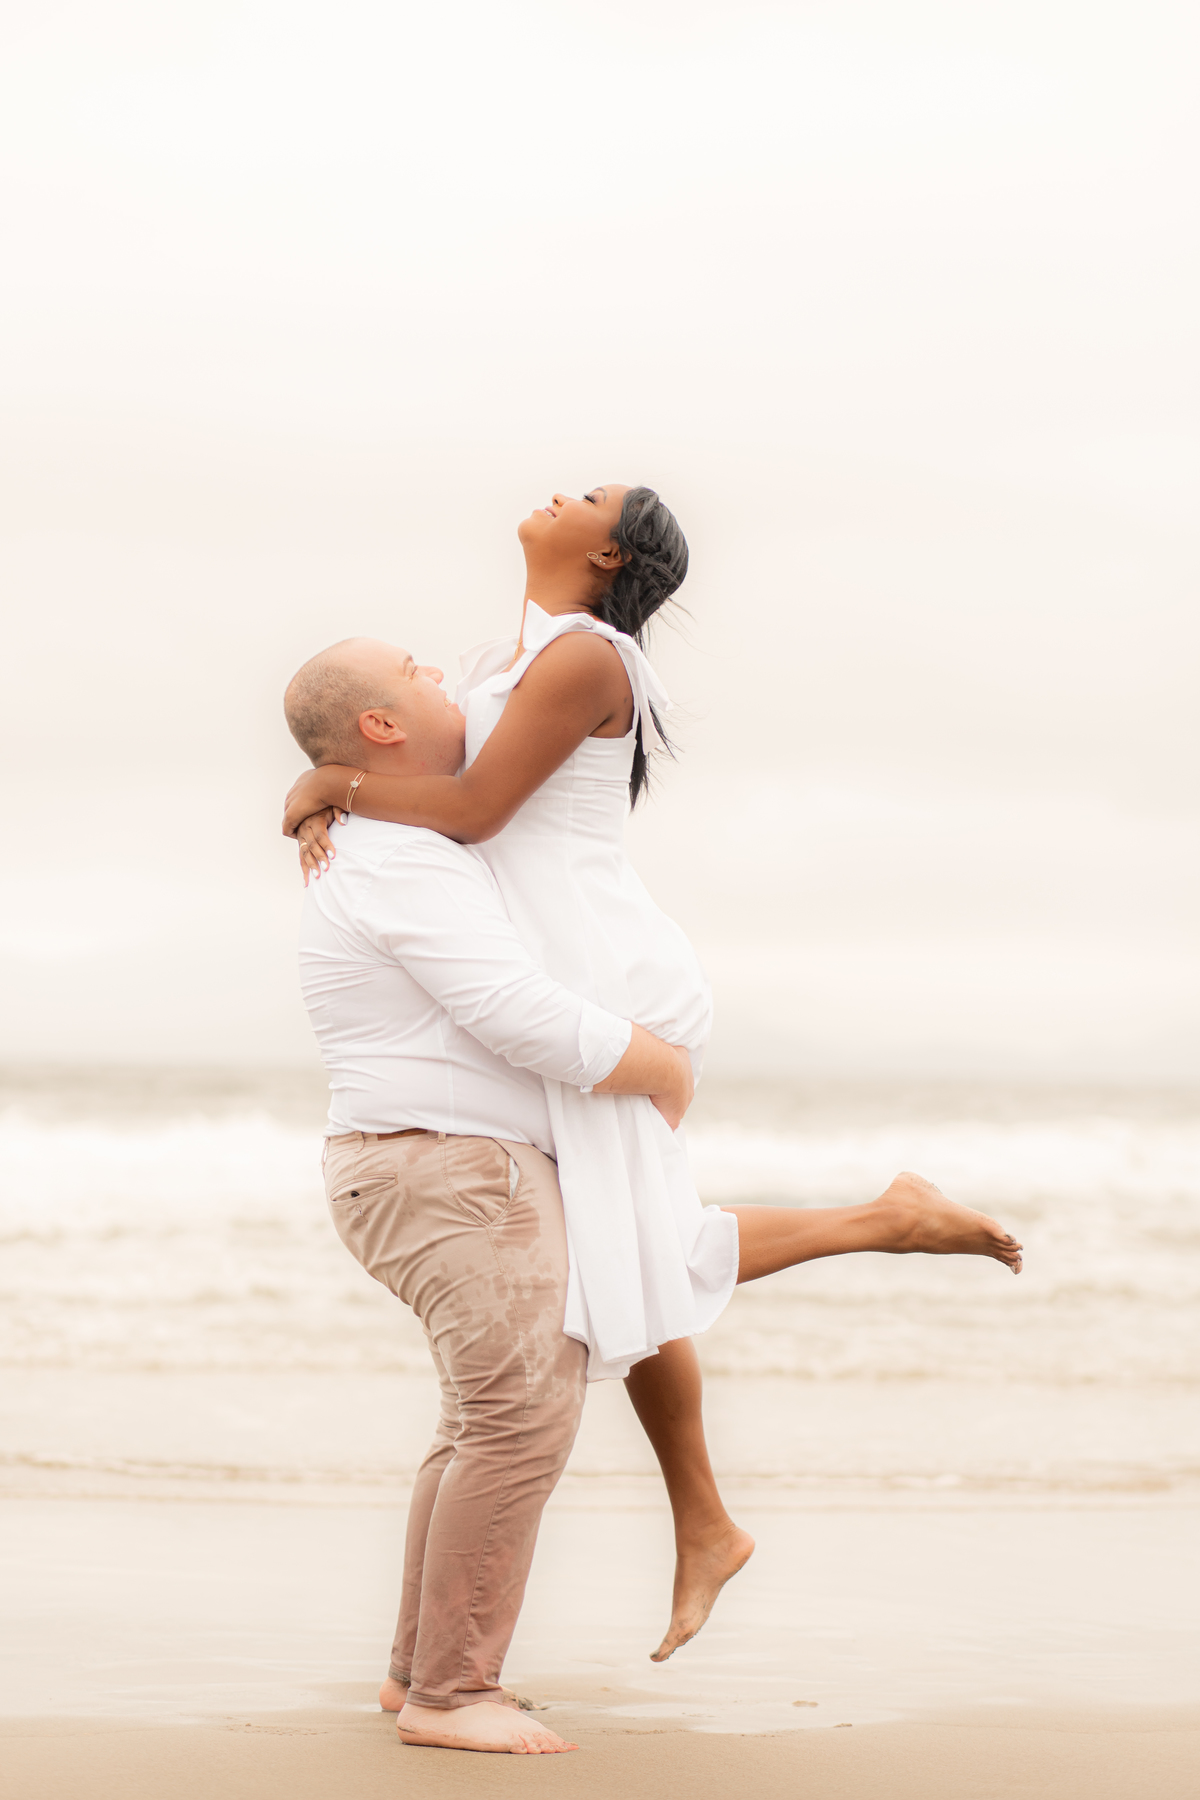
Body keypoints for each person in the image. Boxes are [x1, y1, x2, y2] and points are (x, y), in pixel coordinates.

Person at [284, 486, 1023, 1664]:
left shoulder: (586, 656)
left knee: (635, 1248)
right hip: (562, 963)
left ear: (606, 553)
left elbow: (473, 808)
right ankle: (862, 1261)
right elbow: (420, 760)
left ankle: (716, 1501)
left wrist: (336, 788)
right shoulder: (504, 657)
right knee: (634, 1245)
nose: (563, 492)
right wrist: (332, 779)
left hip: (601, 973)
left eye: (591, 498)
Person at [285, 643, 697, 1754]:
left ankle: (418, 1673)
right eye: (415, 671)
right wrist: (659, 1066)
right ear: (382, 726)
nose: (443, 674)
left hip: (427, 1166)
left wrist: (325, 785)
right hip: (453, 1171)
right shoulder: (401, 861)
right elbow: (514, 1010)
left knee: (480, 1421)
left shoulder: (391, 838)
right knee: (517, 1423)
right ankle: (454, 1692)